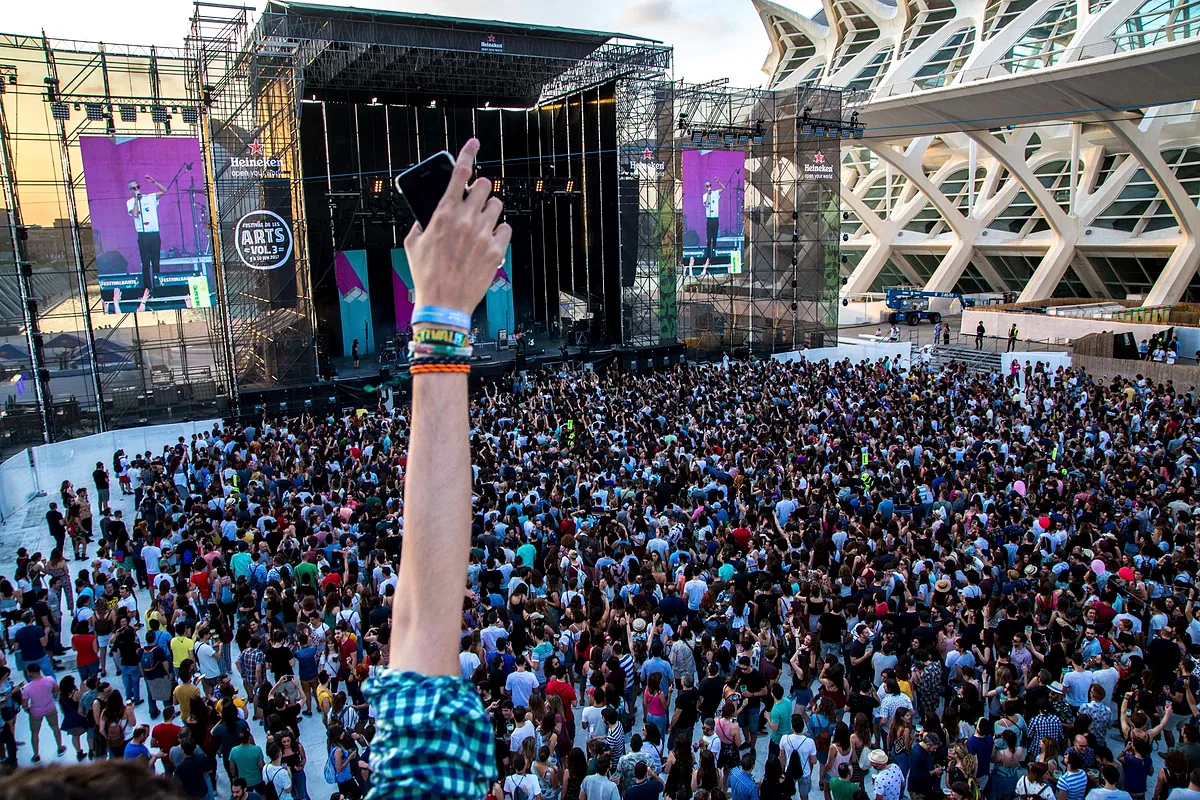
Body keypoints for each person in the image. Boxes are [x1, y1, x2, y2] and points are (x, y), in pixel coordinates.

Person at [126, 175, 169, 307]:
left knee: (156, 262)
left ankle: (157, 288)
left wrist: (154, 181)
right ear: (131, 191)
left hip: (154, 234)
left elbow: (164, 191)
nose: (136, 189)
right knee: (145, 264)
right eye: (133, 188)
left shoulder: (150, 197)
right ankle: (147, 290)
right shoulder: (130, 202)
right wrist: (136, 200)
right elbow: (135, 214)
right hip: (142, 235)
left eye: (138, 187)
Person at [702, 177, 726, 262]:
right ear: (705, 187)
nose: (709, 187)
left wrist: (718, 182)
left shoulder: (715, 193)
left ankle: (714, 256)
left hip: (715, 219)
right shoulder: (705, 196)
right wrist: (708, 194)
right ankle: (708, 257)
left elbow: (723, 188)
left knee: (715, 238)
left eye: (710, 185)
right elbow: (707, 204)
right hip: (709, 219)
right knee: (709, 239)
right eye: (707, 186)